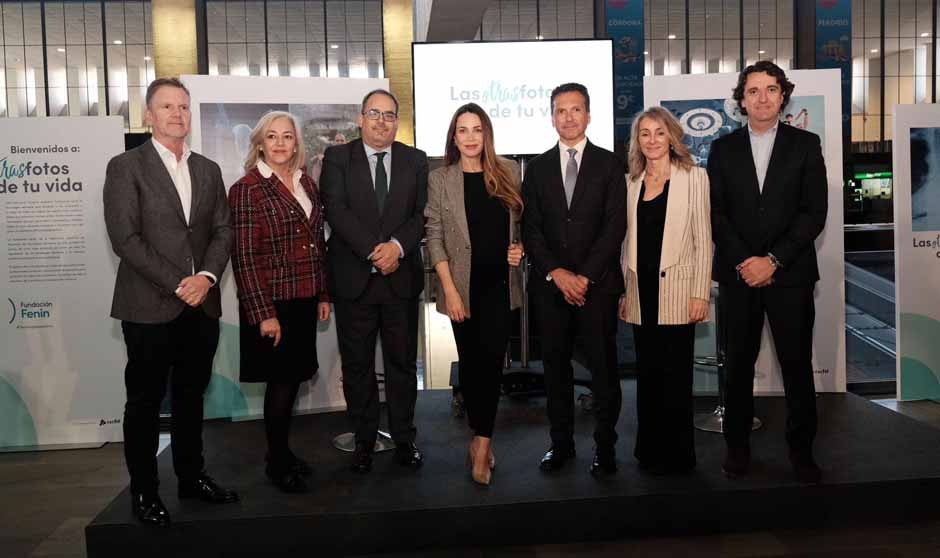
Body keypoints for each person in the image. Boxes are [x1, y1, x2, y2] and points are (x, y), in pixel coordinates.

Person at [103, 77, 237, 527]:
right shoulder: (126, 167)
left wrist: (206, 277)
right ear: (148, 115)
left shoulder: (208, 169)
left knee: (190, 397)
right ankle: (144, 491)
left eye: (183, 107)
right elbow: (126, 239)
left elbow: (223, 231)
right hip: (148, 307)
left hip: (201, 306)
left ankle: (190, 477)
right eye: (167, 107)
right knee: (143, 403)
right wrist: (181, 282)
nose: (177, 114)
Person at [707, 60, 828, 483]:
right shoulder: (722, 149)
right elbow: (716, 215)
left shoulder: (806, 145)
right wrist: (747, 262)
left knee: (796, 368)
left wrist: (773, 260)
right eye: (753, 90)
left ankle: (802, 452)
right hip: (740, 277)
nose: (762, 98)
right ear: (742, 99)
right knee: (738, 367)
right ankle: (737, 450)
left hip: (790, 276)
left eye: (771, 89)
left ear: (783, 96)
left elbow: (814, 214)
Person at [319, 89, 429, 474]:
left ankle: (404, 439)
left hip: (400, 279)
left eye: (389, 115)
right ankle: (364, 440)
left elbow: (421, 214)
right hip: (355, 281)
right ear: (360, 119)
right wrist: (375, 250)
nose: (382, 121)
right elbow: (335, 208)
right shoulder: (337, 158)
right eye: (374, 113)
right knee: (358, 366)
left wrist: (396, 247)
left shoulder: (415, 160)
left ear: (397, 122)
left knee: (402, 365)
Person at [522, 83, 627, 476]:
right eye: (560, 110)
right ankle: (560, 444)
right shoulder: (536, 169)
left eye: (575, 109)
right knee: (555, 372)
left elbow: (615, 226)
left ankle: (606, 447)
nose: (568, 117)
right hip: (551, 290)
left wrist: (584, 276)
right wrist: (558, 273)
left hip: (596, 288)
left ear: (588, 115)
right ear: (552, 117)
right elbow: (531, 228)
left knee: (603, 372)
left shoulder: (611, 164)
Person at [228, 111, 331, 494]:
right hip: (273, 304)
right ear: (259, 143)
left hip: (304, 298)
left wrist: (322, 292)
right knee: (282, 384)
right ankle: (275, 462)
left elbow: (316, 241)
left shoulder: (306, 182)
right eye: (272, 137)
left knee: (293, 380)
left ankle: (282, 454)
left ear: (296, 143)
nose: (280, 143)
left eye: (287, 137)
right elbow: (244, 257)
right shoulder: (247, 189)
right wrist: (264, 315)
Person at [424, 103, 524, 486]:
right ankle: (480, 437)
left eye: (477, 129)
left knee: (492, 366)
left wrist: (519, 248)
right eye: (462, 130)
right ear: (454, 136)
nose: (470, 137)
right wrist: (450, 291)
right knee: (471, 366)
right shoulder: (441, 179)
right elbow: (434, 237)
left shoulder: (509, 172)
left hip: (500, 287)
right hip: (460, 288)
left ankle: (481, 444)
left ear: (487, 135)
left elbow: (522, 226)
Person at [620, 107, 712, 474]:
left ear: (672, 136)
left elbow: (704, 241)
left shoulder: (694, 177)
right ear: (637, 141)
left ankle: (678, 455)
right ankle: (649, 450)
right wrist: (625, 292)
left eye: (659, 132)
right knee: (648, 375)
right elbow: (626, 242)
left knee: (675, 377)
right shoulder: (632, 182)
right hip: (640, 291)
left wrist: (700, 293)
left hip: (679, 289)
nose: (652, 140)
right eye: (645, 133)